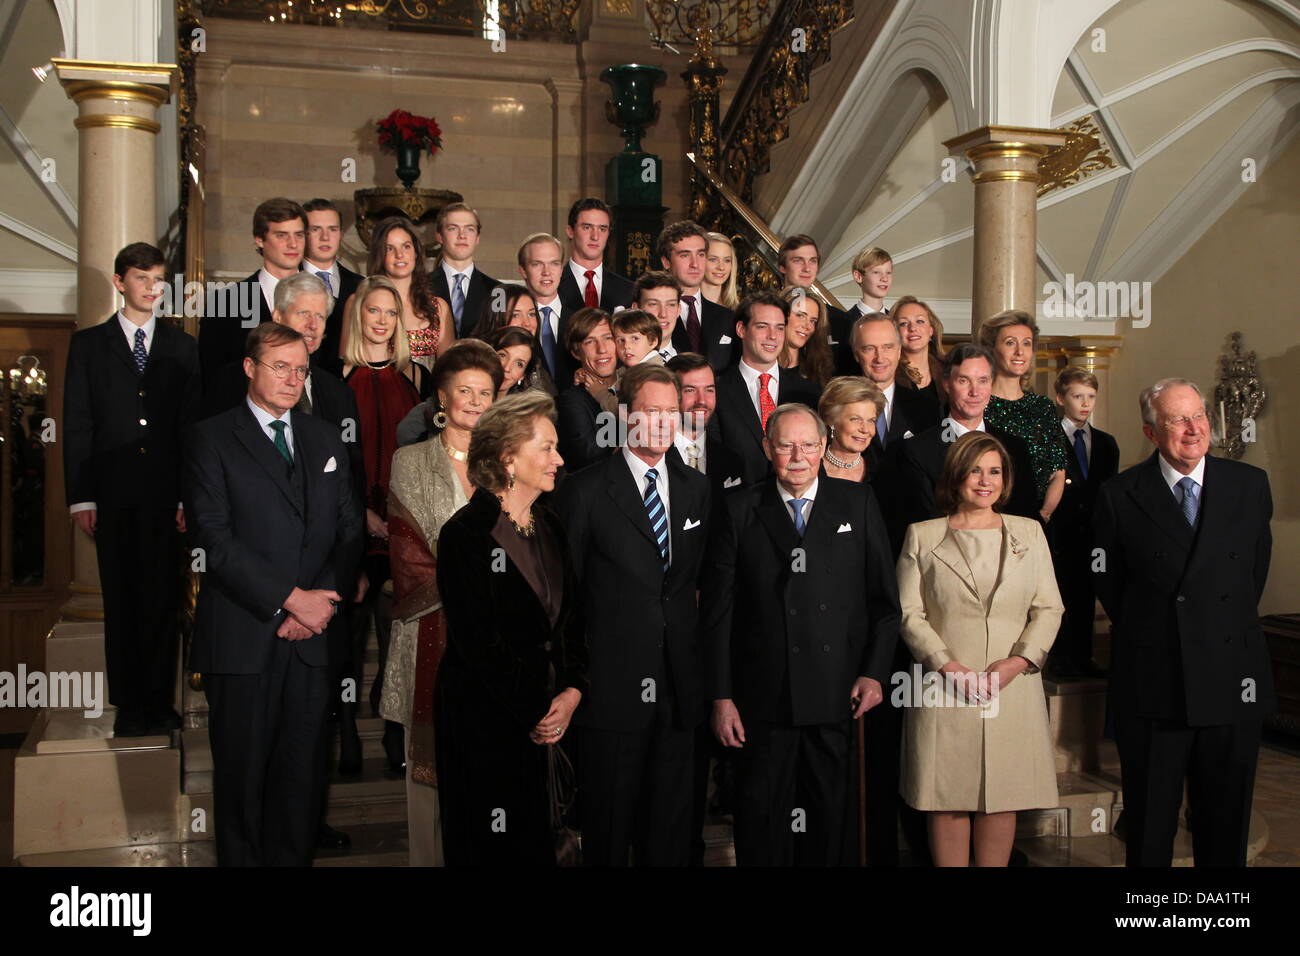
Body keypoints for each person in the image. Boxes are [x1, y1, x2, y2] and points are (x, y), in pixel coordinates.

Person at [184, 322, 362, 866]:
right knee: (242, 777)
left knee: (302, 773)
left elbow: (349, 529)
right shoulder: (210, 437)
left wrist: (321, 600)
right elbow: (214, 539)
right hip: (242, 636)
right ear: (249, 368)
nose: (291, 379)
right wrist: (291, 599)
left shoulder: (325, 437)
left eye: (301, 369)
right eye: (279, 367)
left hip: (311, 639)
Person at [702, 403, 900, 866]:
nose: (798, 455)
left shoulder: (858, 502)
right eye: (786, 445)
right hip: (762, 702)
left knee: (830, 827)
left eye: (809, 445)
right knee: (763, 825)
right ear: (767, 447)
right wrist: (721, 696)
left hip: (836, 696)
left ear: (824, 447)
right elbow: (717, 614)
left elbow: (886, 604)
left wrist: (874, 674)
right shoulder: (738, 508)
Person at [1092, 378, 1274, 867]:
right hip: (1155, 682)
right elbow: (1110, 583)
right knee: (1150, 828)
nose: (1193, 429)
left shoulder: (1249, 485)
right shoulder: (1119, 494)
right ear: (1152, 433)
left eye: (1198, 417)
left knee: (1226, 823)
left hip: (1233, 678)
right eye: (1177, 420)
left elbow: (1252, 574)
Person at [557, 364, 712, 866]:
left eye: (672, 411)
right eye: (652, 411)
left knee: (669, 834)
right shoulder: (583, 490)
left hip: (680, 691)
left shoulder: (696, 489)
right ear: (624, 415)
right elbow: (568, 599)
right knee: (608, 828)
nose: (665, 422)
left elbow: (696, 586)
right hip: (611, 692)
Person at [896, 432, 1063, 867]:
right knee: (948, 796)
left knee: (1001, 796)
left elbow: (1049, 607)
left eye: (995, 471)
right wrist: (946, 666)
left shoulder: (1029, 533)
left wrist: (1018, 661)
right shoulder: (922, 536)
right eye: (975, 470)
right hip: (944, 686)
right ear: (956, 476)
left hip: (1012, 685)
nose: (985, 481)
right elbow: (911, 614)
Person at [435, 391, 588, 866]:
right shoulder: (465, 535)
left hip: (552, 719)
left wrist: (572, 692)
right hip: (486, 723)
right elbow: (478, 642)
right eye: (546, 448)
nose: (558, 460)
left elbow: (572, 623)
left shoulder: (551, 525)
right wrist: (537, 708)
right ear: (506, 456)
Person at [64, 242, 200, 737]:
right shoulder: (89, 344)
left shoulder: (182, 346)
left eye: (158, 279)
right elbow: (78, 423)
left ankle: (160, 702)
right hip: (113, 494)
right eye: (142, 278)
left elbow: (190, 426)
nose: (151, 288)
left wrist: (188, 494)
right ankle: (129, 703)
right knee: (122, 599)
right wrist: (82, 495)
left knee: (164, 599)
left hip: (166, 496)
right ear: (121, 282)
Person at [381, 341, 503, 866]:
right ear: (441, 397)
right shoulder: (410, 461)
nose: (474, 402)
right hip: (431, 634)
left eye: (485, 393)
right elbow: (409, 560)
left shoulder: (509, 463)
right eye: (464, 392)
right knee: (429, 780)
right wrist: (477, 592)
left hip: (499, 644)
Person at [341, 276, 428, 773]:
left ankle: (395, 737)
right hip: (353, 531)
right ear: (359, 318)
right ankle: (348, 737)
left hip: (400, 532)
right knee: (350, 648)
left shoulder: (412, 377)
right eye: (373, 311)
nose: (381, 320)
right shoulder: (338, 378)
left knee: (398, 643)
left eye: (390, 313)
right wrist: (361, 514)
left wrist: (397, 519)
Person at [897, 344, 1039, 551]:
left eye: (983, 381)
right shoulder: (918, 450)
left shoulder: (1015, 448)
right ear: (946, 384)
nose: (975, 391)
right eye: (964, 381)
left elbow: (1025, 518)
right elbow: (923, 523)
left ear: (992, 383)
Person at [1046, 366, 1118, 681]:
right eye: (1078, 396)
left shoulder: (1106, 443)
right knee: (1059, 595)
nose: (1085, 403)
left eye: (1090, 396)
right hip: (1059, 532)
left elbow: (1109, 490)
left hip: (1093, 533)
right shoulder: (1048, 437)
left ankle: (1082, 655)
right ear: (1061, 398)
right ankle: (1058, 657)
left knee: (1087, 594)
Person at [199, 197, 306, 392]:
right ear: (259, 239)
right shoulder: (225, 303)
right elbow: (213, 376)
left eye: (299, 235)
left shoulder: (324, 299)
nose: (293, 244)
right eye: (282, 235)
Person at [713, 292, 820, 486]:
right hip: (738, 507)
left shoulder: (809, 393)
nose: (772, 336)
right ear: (741, 329)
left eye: (779, 328)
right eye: (762, 327)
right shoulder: (717, 392)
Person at [978, 310, 1067, 520]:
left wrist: (1042, 515)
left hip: (1037, 519)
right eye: (1010, 343)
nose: (1020, 352)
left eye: (1027, 343)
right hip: (988, 518)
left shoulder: (1043, 407)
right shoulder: (979, 405)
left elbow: (1058, 473)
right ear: (991, 349)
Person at [341, 217, 454, 371]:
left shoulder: (438, 308)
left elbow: (448, 371)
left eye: (406, 246)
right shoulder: (358, 301)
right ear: (380, 255)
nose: (399, 255)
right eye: (389, 248)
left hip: (427, 393)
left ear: (415, 252)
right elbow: (346, 363)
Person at [850, 311, 941, 469]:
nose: (880, 358)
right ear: (856, 354)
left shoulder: (927, 407)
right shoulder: (840, 405)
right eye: (869, 348)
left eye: (887, 347)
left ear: (899, 351)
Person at [658, 221, 735, 370]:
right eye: (685, 255)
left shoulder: (727, 317)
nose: (695, 264)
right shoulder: (652, 314)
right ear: (666, 261)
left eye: (700, 254)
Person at [666, 352, 745, 497]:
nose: (701, 400)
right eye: (690, 390)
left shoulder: (732, 460)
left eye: (709, 390)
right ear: (669, 394)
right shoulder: (654, 458)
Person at [301, 198, 363, 375]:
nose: (325, 237)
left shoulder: (360, 286)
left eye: (332, 229)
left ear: (341, 234)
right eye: (315, 229)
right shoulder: (286, 283)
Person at [554, 307, 618, 473]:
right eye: (590, 341)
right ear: (576, 352)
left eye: (608, 338)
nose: (602, 349)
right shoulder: (571, 401)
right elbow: (589, 458)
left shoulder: (635, 385)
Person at [430, 202, 500, 339]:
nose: (462, 235)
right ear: (439, 236)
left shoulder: (498, 290)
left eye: (469, 229)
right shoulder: (419, 286)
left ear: (477, 238)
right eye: (453, 228)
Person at [558, 197, 634, 314]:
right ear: (570, 231)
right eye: (587, 227)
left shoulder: (628, 290)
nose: (595, 237)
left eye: (602, 229)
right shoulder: (553, 285)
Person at [518, 233, 570, 386]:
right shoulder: (512, 321)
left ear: (561, 268)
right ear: (522, 270)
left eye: (554, 263)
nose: (546, 272)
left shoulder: (579, 317)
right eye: (537, 264)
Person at [817, 376, 882, 484]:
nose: (865, 429)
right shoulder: (810, 469)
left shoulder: (883, 473)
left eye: (871, 421)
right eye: (855, 419)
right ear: (831, 420)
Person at [840, 247, 894, 374]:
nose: (884, 278)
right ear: (858, 276)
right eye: (876, 272)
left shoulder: (896, 321)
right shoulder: (843, 324)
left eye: (888, 272)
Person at [892, 295, 945, 407]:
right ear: (894, 333)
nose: (913, 328)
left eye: (920, 321)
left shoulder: (948, 370)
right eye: (903, 323)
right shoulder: (888, 374)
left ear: (931, 330)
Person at [780, 287, 834, 389]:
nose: (808, 326)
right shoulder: (759, 364)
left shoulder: (817, 370)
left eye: (813, 321)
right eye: (800, 316)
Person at [633, 270, 683, 363]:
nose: (663, 314)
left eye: (671, 304)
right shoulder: (619, 365)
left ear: (679, 309)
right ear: (636, 309)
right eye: (653, 304)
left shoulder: (688, 361)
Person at [487, 326, 547, 399]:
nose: (506, 368)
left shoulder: (527, 409)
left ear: (523, 375)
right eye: (502, 355)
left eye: (519, 364)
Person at [471, 284, 539, 340]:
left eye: (532, 314)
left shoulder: (543, 353)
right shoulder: (474, 355)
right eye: (515, 315)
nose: (527, 323)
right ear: (496, 319)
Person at [701, 232, 739, 309]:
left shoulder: (738, 312)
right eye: (713, 259)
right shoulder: (680, 303)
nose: (721, 267)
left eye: (727, 260)